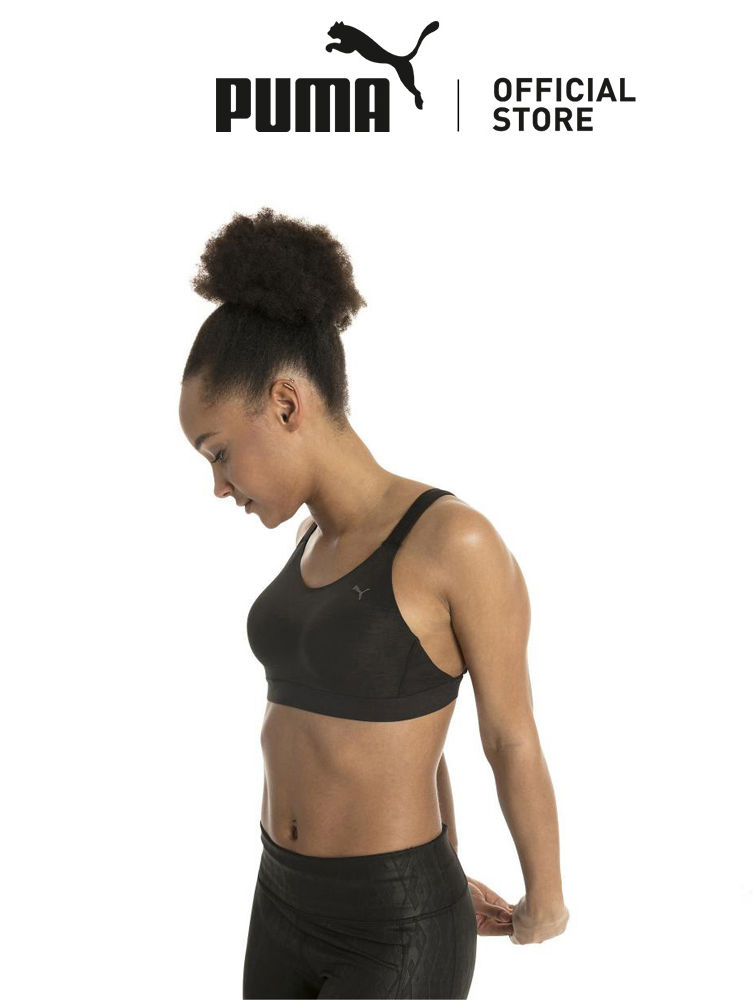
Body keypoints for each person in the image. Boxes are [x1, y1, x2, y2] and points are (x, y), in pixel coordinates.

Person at [178, 207, 569, 999]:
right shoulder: (307, 541)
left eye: (219, 453)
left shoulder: (454, 541)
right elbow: (406, 720)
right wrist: (450, 854)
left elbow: (508, 735)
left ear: (286, 405)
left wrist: (545, 900)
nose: (218, 486)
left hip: (393, 925)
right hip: (279, 898)